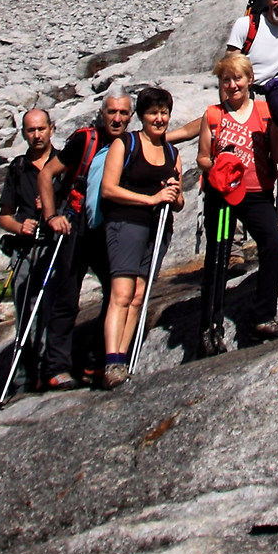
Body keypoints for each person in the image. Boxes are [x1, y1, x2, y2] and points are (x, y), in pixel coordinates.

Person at [168, 51, 278, 347]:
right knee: (220, 253)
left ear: (249, 79)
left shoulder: (265, 111)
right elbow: (202, 156)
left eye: (238, 78)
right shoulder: (213, 115)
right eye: (226, 80)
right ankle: (210, 325)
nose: (232, 85)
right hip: (222, 196)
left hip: (257, 192)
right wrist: (218, 164)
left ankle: (264, 315)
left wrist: (277, 126)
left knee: (273, 245)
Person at [35, 92, 131, 390]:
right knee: (67, 296)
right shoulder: (84, 140)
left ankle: (92, 359)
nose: (117, 118)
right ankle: (57, 367)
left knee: (116, 294)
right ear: (102, 113)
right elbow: (47, 173)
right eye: (112, 112)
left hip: (106, 226)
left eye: (123, 113)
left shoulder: (129, 144)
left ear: (130, 116)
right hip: (75, 224)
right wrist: (52, 216)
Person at [96, 86, 186, 387]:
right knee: (121, 293)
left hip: (158, 227)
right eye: (153, 113)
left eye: (163, 113)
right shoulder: (126, 144)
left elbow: (179, 201)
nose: (159, 119)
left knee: (138, 296)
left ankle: (121, 358)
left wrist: (173, 196)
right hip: (126, 223)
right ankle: (112, 360)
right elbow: (108, 189)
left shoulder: (173, 153)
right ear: (142, 116)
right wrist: (150, 199)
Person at [0, 108, 65, 392]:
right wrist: (19, 227)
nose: (36, 135)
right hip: (25, 247)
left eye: (41, 129)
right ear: (23, 133)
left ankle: (51, 368)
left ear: (51, 129)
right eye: (31, 130)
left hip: (55, 246)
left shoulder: (64, 163)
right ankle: (23, 376)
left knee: (53, 309)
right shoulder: (18, 168)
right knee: (25, 312)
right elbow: (4, 216)